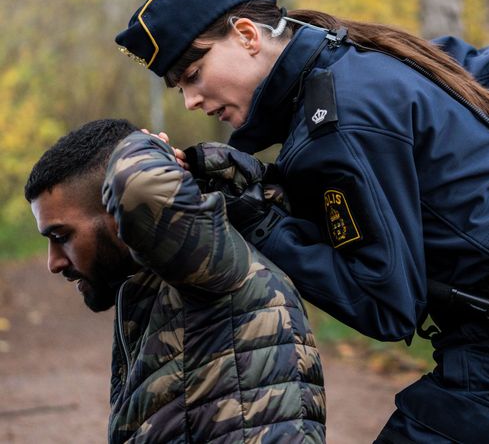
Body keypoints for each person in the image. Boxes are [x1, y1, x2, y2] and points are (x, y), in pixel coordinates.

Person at [115, 0, 489, 443]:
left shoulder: (337, 126)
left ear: (247, 36)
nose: (192, 100)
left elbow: (384, 307)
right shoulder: (367, 54)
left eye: (193, 74)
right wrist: (471, 184)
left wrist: (259, 222)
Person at [24, 119, 325, 443]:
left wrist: (144, 147)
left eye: (61, 236)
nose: (53, 262)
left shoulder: (210, 262)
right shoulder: (161, 284)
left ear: (119, 212)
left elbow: (137, 184)